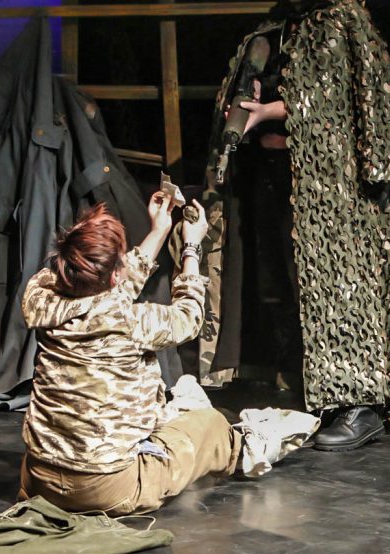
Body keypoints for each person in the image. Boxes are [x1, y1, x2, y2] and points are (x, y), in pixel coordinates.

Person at [205, 0, 390, 451]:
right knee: (291, 289)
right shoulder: (281, 25)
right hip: (281, 179)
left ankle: (361, 405)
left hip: (335, 188)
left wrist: (270, 111)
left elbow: (338, 100)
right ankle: (318, 395)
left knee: (341, 289)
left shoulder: (341, 18)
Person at [17, 193, 318, 515]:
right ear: (115, 274)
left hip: (39, 481)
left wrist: (160, 229)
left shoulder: (41, 295)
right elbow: (189, 316)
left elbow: (105, 291)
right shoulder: (133, 322)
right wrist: (191, 247)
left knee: (173, 412)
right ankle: (248, 447)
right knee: (210, 425)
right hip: (107, 489)